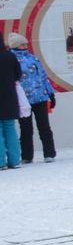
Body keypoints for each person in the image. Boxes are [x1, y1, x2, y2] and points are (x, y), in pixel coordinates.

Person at [8, 33, 56, 163]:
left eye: (26, 44)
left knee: (44, 126)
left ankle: (49, 153)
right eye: (23, 44)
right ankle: (27, 156)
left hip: (40, 97)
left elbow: (43, 76)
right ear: (16, 46)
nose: (26, 46)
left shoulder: (33, 58)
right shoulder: (11, 59)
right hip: (23, 100)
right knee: (26, 128)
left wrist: (50, 93)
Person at [0, 40, 20, 169]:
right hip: (9, 96)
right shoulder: (10, 55)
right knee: (10, 128)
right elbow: (18, 74)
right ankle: (15, 160)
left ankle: (1, 162)